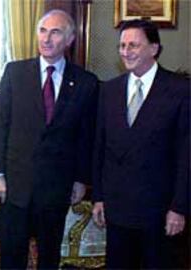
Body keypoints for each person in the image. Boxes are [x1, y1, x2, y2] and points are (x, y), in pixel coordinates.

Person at [0, 9, 98, 269]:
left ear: (69, 39)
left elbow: (86, 135)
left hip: (56, 185)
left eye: (55, 32)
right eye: (43, 31)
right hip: (15, 183)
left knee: (49, 255)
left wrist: (81, 178)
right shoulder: (15, 73)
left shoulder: (85, 82)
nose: (47, 39)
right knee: (12, 254)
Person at [92, 19, 189, 269]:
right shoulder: (109, 90)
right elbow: (100, 148)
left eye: (133, 45)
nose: (126, 51)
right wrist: (99, 198)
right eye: (122, 46)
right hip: (118, 209)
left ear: (153, 48)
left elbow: (186, 155)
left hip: (160, 212)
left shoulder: (180, 90)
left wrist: (179, 207)